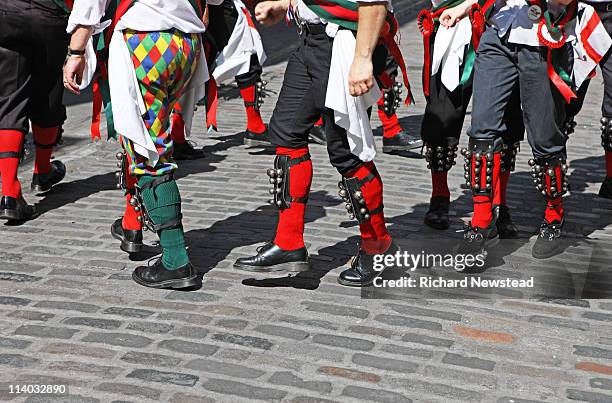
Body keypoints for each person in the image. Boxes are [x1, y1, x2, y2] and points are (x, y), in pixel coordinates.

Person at [233, 0, 409, 286]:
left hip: (344, 44)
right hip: (310, 42)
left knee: (347, 152)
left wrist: (362, 59)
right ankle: (288, 242)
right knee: (287, 132)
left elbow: (373, 3)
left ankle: (379, 248)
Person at [64, 0, 220, 288]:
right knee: (143, 137)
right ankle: (132, 224)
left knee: (149, 150)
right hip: (186, 43)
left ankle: (175, 259)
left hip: (146, 39)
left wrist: (76, 50)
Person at [443, 0, 608, 260]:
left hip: (542, 42)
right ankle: (482, 220)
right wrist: (463, 7)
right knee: (482, 132)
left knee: (545, 138)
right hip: (497, 36)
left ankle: (554, 214)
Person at [418, 0, 524, 235]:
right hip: (452, 21)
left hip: (502, 24)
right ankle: (439, 194)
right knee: (442, 114)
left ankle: (499, 202)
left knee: (508, 116)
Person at [0, 0, 69, 221]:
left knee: (9, 101)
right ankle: (42, 170)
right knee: (48, 96)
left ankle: (10, 192)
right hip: (47, 17)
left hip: (7, 15)